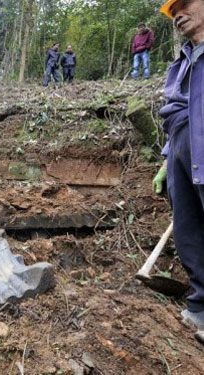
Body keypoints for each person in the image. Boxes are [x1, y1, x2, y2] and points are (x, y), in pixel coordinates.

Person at [154, 0, 204, 339]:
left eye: (185, 4)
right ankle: (200, 305)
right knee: (187, 225)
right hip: (182, 148)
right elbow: (175, 109)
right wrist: (169, 156)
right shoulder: (182, 61)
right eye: (173, 12)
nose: (178, 15)